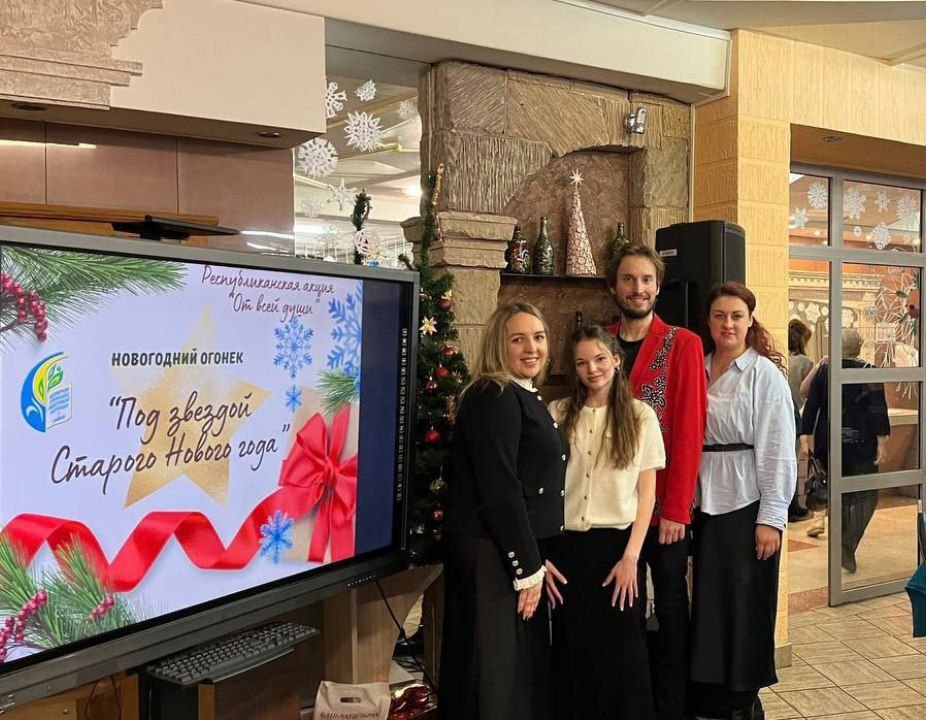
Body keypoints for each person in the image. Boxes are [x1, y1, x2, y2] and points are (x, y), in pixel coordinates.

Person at [439, 302, 567, 720]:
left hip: (505, 548)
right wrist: (526, 566)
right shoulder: (492, 395)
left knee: (510, 673)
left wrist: (535, 557)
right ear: (499, 345)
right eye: (518, 340)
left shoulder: (519, 393)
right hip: (490, 552)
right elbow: (500, 490)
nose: (532, 348)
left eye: (539, 337)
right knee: (492, 674)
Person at [605, 243, 706, 720]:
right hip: (614, 508)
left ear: (658, 287)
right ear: (614, 286)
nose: (638, 288)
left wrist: (678, 509)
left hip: (664, 507)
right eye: (628, 279)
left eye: (646, 280)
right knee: (621, 607)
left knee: (669, 609)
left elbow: (689, 430)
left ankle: (672, 707)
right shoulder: (600, 343)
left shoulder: (682, 343)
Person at [546, 325, 665, 720]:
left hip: (618, 551)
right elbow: (543, 489)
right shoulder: (557, 413)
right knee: (573, 652)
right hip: (568, 551)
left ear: (616, 360)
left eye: (599, 359)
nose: (592, 369)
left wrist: (632, 558)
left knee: (623, 657)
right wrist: (543, 554)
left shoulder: (641, 416)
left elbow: (647, 495)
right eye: (582, 362)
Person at [688, 282, 796, 720]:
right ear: (708, 321)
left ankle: (743, 702)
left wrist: (771, 517)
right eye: (719, 315)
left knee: (746, 607)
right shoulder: (698, 366)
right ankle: (715, 698)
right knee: (712, 607)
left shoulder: (763, 375)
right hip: (704, 504)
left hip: (748, 504)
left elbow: (778, 450)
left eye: (736, 316)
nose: (727, 324)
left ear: (750, 321)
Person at [799, 328, 889, 573]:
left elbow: (811, 405)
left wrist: (805, 436)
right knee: (866, 497)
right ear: (859, 347)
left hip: (830, 444)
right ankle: (846, 545)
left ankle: (843, 546)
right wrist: (882, 442)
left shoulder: (826, 371)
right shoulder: (868, 371)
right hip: (861, 445)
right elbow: (877, 408)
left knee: (840, 496)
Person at [787, 319, 814, 522]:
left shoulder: (784, 359)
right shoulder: (806, 363)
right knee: (793, 463)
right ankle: (794, 506)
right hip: (796, 416)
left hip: (783, 414)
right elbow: (808, 394)